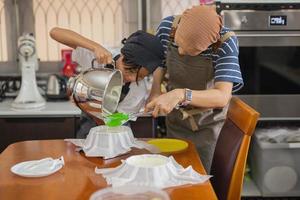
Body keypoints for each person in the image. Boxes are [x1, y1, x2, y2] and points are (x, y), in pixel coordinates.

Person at [145, 5, 244, 172]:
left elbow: (222, 96)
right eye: (178, 44)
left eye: (191, 52)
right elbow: (160, 63)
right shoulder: (167, 27)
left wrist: (181, 94)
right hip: (175, 121)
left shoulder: (226, 42)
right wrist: (155, 92)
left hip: (207, 125)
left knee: (198, 181)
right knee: (172, 175)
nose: (181, 52)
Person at [50, 28, 164, 137]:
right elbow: (55, 32)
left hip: (117, 131)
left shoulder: (138, 90)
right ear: (122, 55)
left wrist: (93, 108)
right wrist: (95, 47)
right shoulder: (99, 58)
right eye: (129, 70)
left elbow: (115, 122)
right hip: (87, 129)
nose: (132, 79)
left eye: (141, 77)